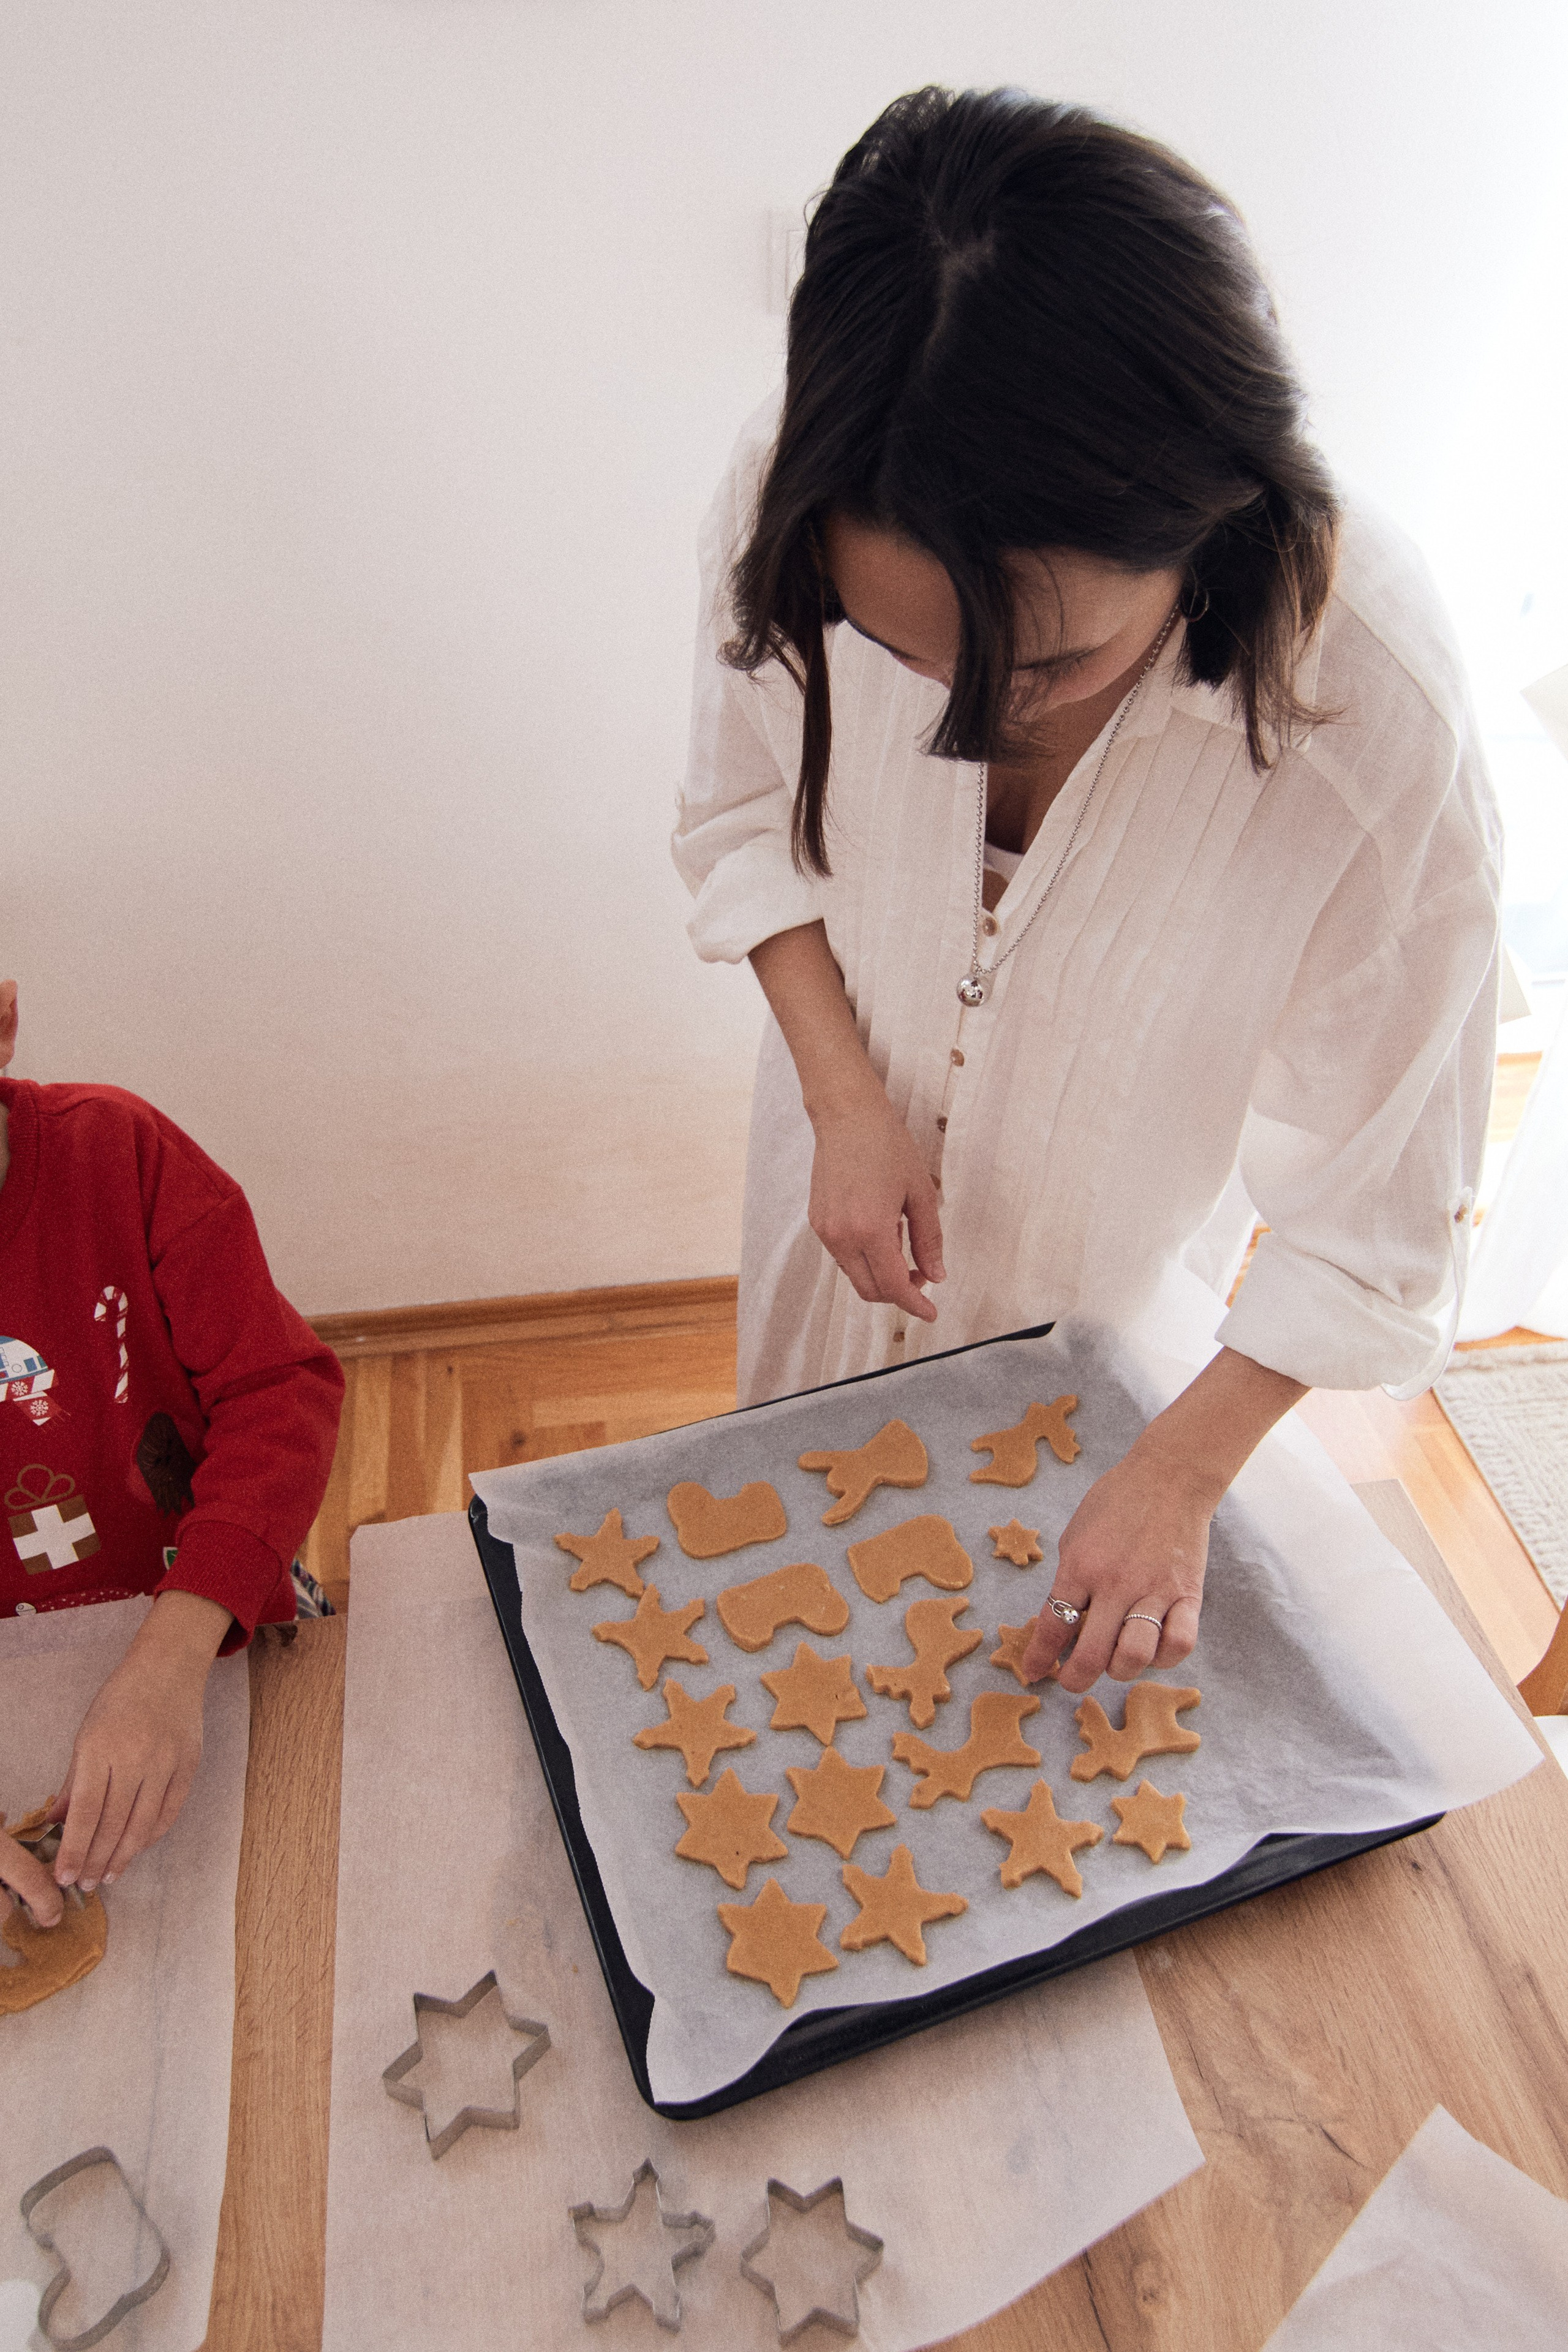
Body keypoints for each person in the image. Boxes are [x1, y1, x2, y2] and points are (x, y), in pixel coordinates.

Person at [673, 89, 1498, 1697]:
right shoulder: (796, 499)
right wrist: (842, 1099)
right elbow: (737, 821)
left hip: (1109, 1290)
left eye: (1051, 664)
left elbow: (1381, 1213)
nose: (973, 723)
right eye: (900, 655)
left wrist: (1181, 1470)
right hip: (830, 1188)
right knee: (801, 1582)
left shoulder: (1372, 713)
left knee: (1021, 1652)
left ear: (1210, 517)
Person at [0, 977, 344, 1926]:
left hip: (219, 1611)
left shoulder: (119, 1152)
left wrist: (174, 1650)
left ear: (3, 1022)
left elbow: (280, 1392)